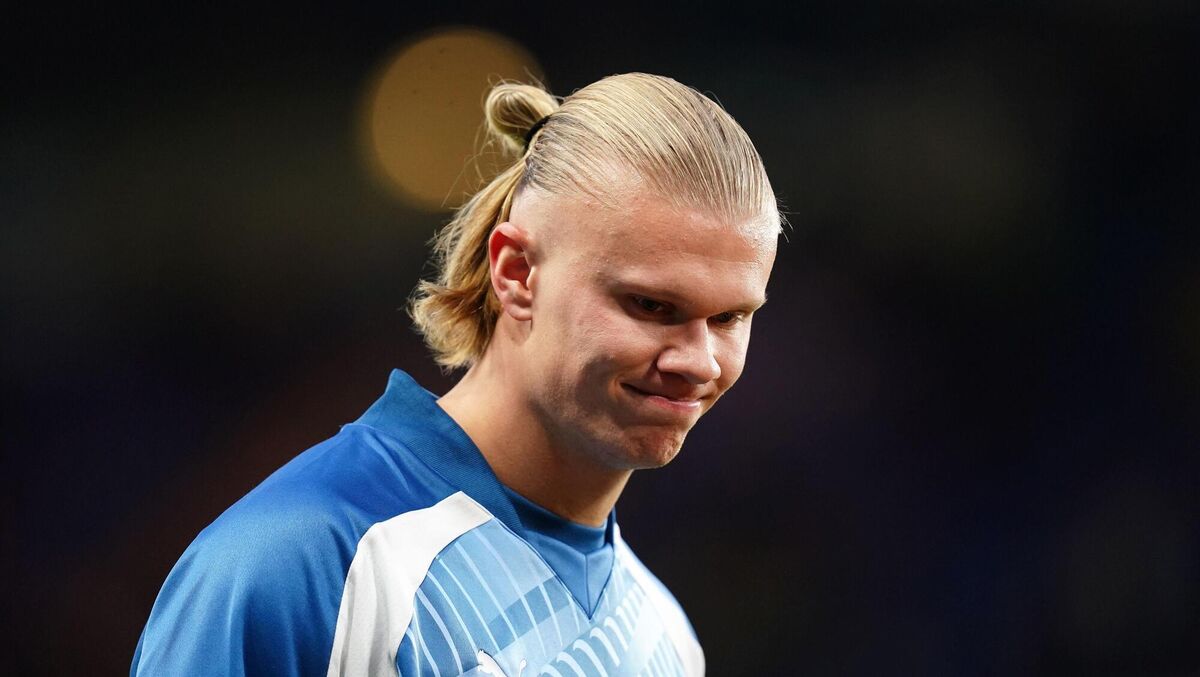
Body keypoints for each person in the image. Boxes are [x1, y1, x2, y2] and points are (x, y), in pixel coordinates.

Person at [131, 72, 780, 676]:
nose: (699, 361)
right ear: (517, 273)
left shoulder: (668, 640)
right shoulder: (302, 563)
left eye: (729, 317)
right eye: (651, 306)